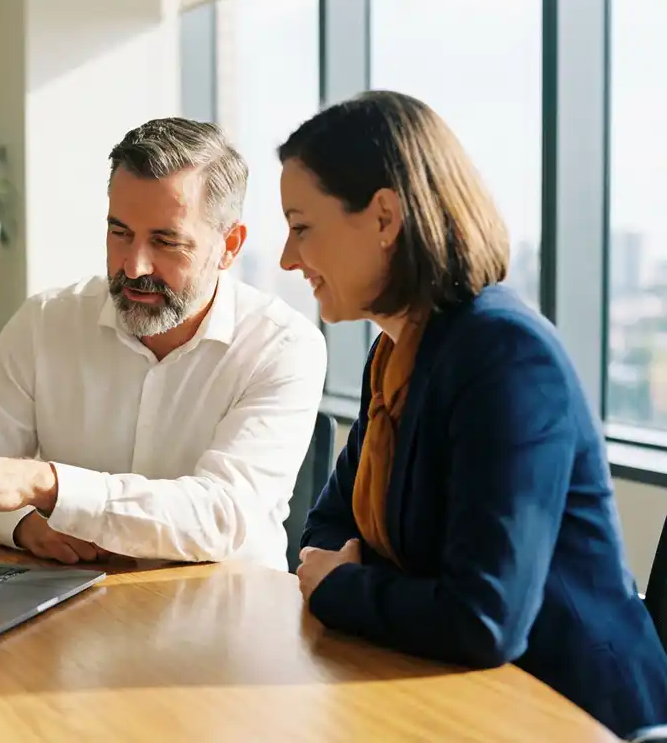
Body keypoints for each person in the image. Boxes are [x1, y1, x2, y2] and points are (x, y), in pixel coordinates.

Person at [280, 90, 667, 737]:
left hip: (579, 716)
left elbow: (483, 619)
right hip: (452, 698)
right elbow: (325, 531)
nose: (288, 259)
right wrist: (366, 583)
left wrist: (344, 587)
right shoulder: (394, 355)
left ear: (384, 217)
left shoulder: (505, 355)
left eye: (301, 227)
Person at [0, 117, 327, 572]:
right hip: (80, 601)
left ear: (229, 246)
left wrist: (49, 486)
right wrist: (23, 524)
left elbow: (222, 517)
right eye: (120, 232)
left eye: (165, 241)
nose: (133, 267)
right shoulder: (45, 322)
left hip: (227, 605)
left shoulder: (283, 346)